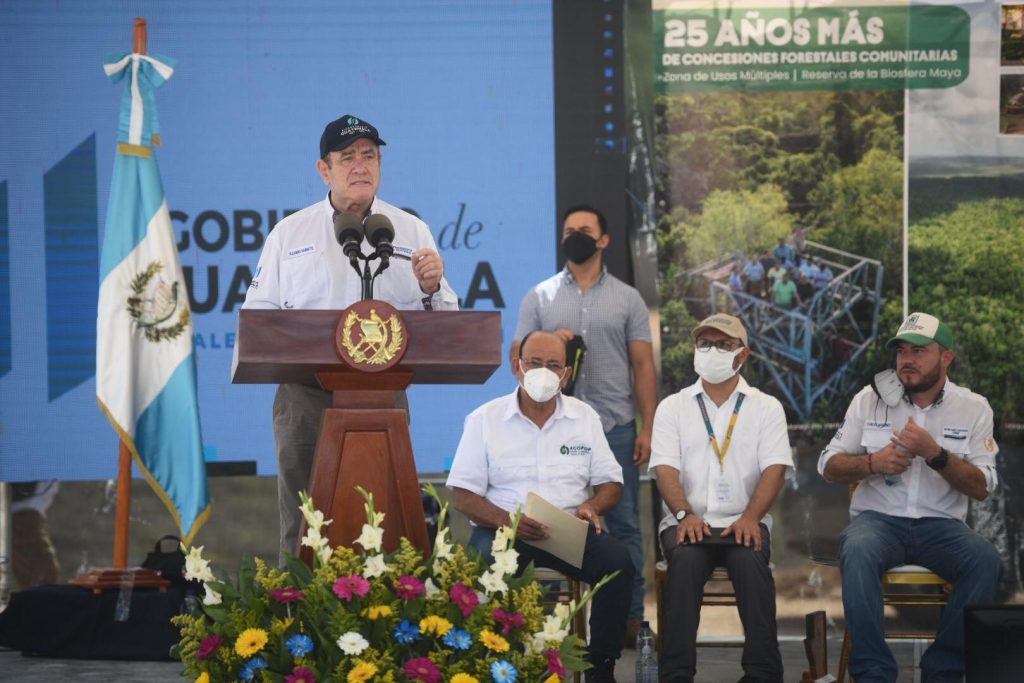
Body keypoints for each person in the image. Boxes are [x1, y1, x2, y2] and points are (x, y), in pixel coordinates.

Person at [241, 114, 459, 557]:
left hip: (383, 397)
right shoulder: (290, 233)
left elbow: (446, 321)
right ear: (324, 170)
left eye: (369, 156)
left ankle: (387, 619)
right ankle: (296, 621)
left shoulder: (410, 230)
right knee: (303, 526)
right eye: (347, 158)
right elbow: (257, 319)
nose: (360, 166)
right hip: (305, 397)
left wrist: (432, 287)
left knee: (385, 522)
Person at [818, 312, 1001, 683]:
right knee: (857, 547)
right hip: (878, 521)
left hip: (942, 526)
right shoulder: (868, 400)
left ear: (946, 357)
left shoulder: (974, 407)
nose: (907, 359)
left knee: (985, 560)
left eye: (919, 350)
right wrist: (873, 463)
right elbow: (827, 465)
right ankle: (873, 674)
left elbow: (982, 486)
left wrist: (936, 454)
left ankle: (943, 672)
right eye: (901, 350)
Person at [447, 331, 635, 683]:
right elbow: (464, 496)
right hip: (503, 532)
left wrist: (592, 506)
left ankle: (600, 667)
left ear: (566, 374)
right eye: (534, 362)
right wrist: (509, 520)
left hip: (567, 530)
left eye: (553, 365)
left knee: (618, 563)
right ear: (518, 367)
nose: (543, 372)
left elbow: (612, 485)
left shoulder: (584, 418)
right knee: (480, 562)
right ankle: (492, 663)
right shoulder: (484, 419)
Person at [511, 204, 657, 645]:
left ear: (604, 239)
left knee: (626, 525)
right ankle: (544, 623)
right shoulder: (540, 296)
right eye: (569, 230)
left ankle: (628, 622)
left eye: (585, 230)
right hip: (555, 426)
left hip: (614, 425)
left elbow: (643, 364)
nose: (575, 235)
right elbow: (516, 357)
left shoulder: (628, 298)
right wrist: (555, 345)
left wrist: (648, 426)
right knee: (552, 519)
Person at [650, 314, 792, 683]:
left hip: (743, 523)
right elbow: (664, 470)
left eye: (723, 344)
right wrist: (684, 514)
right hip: (687, 522)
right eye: (705, 344)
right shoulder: (673, 406)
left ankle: (763, 674)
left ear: (743, 354)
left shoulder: (766, 407)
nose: (711, 351)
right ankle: (676, 675)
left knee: (750, 564)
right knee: (684, 562)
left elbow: (774, 470)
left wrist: (750, 518)